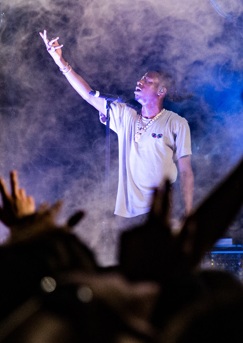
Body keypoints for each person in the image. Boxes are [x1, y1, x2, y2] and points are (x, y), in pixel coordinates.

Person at [40, 29, 194, 220]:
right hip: (127, 215)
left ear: (161, 91)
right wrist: (59, 62)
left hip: (161, 213)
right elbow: (88, 95)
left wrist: (189, 213)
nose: (140, 81)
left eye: (147, 80)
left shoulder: (176, 123)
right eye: (140, 78)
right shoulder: (126, 116)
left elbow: (186, 170)